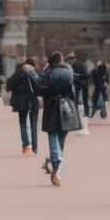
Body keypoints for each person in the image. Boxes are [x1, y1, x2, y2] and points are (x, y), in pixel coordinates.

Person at [35, 53, 78, 186]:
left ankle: (56, 161)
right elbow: (73, 92)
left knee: (52, 133)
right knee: (62, 134)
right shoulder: (69, 72)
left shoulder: (49, 73)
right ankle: (57, 165)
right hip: (66, 105)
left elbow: (41, 89)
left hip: (52, 105)